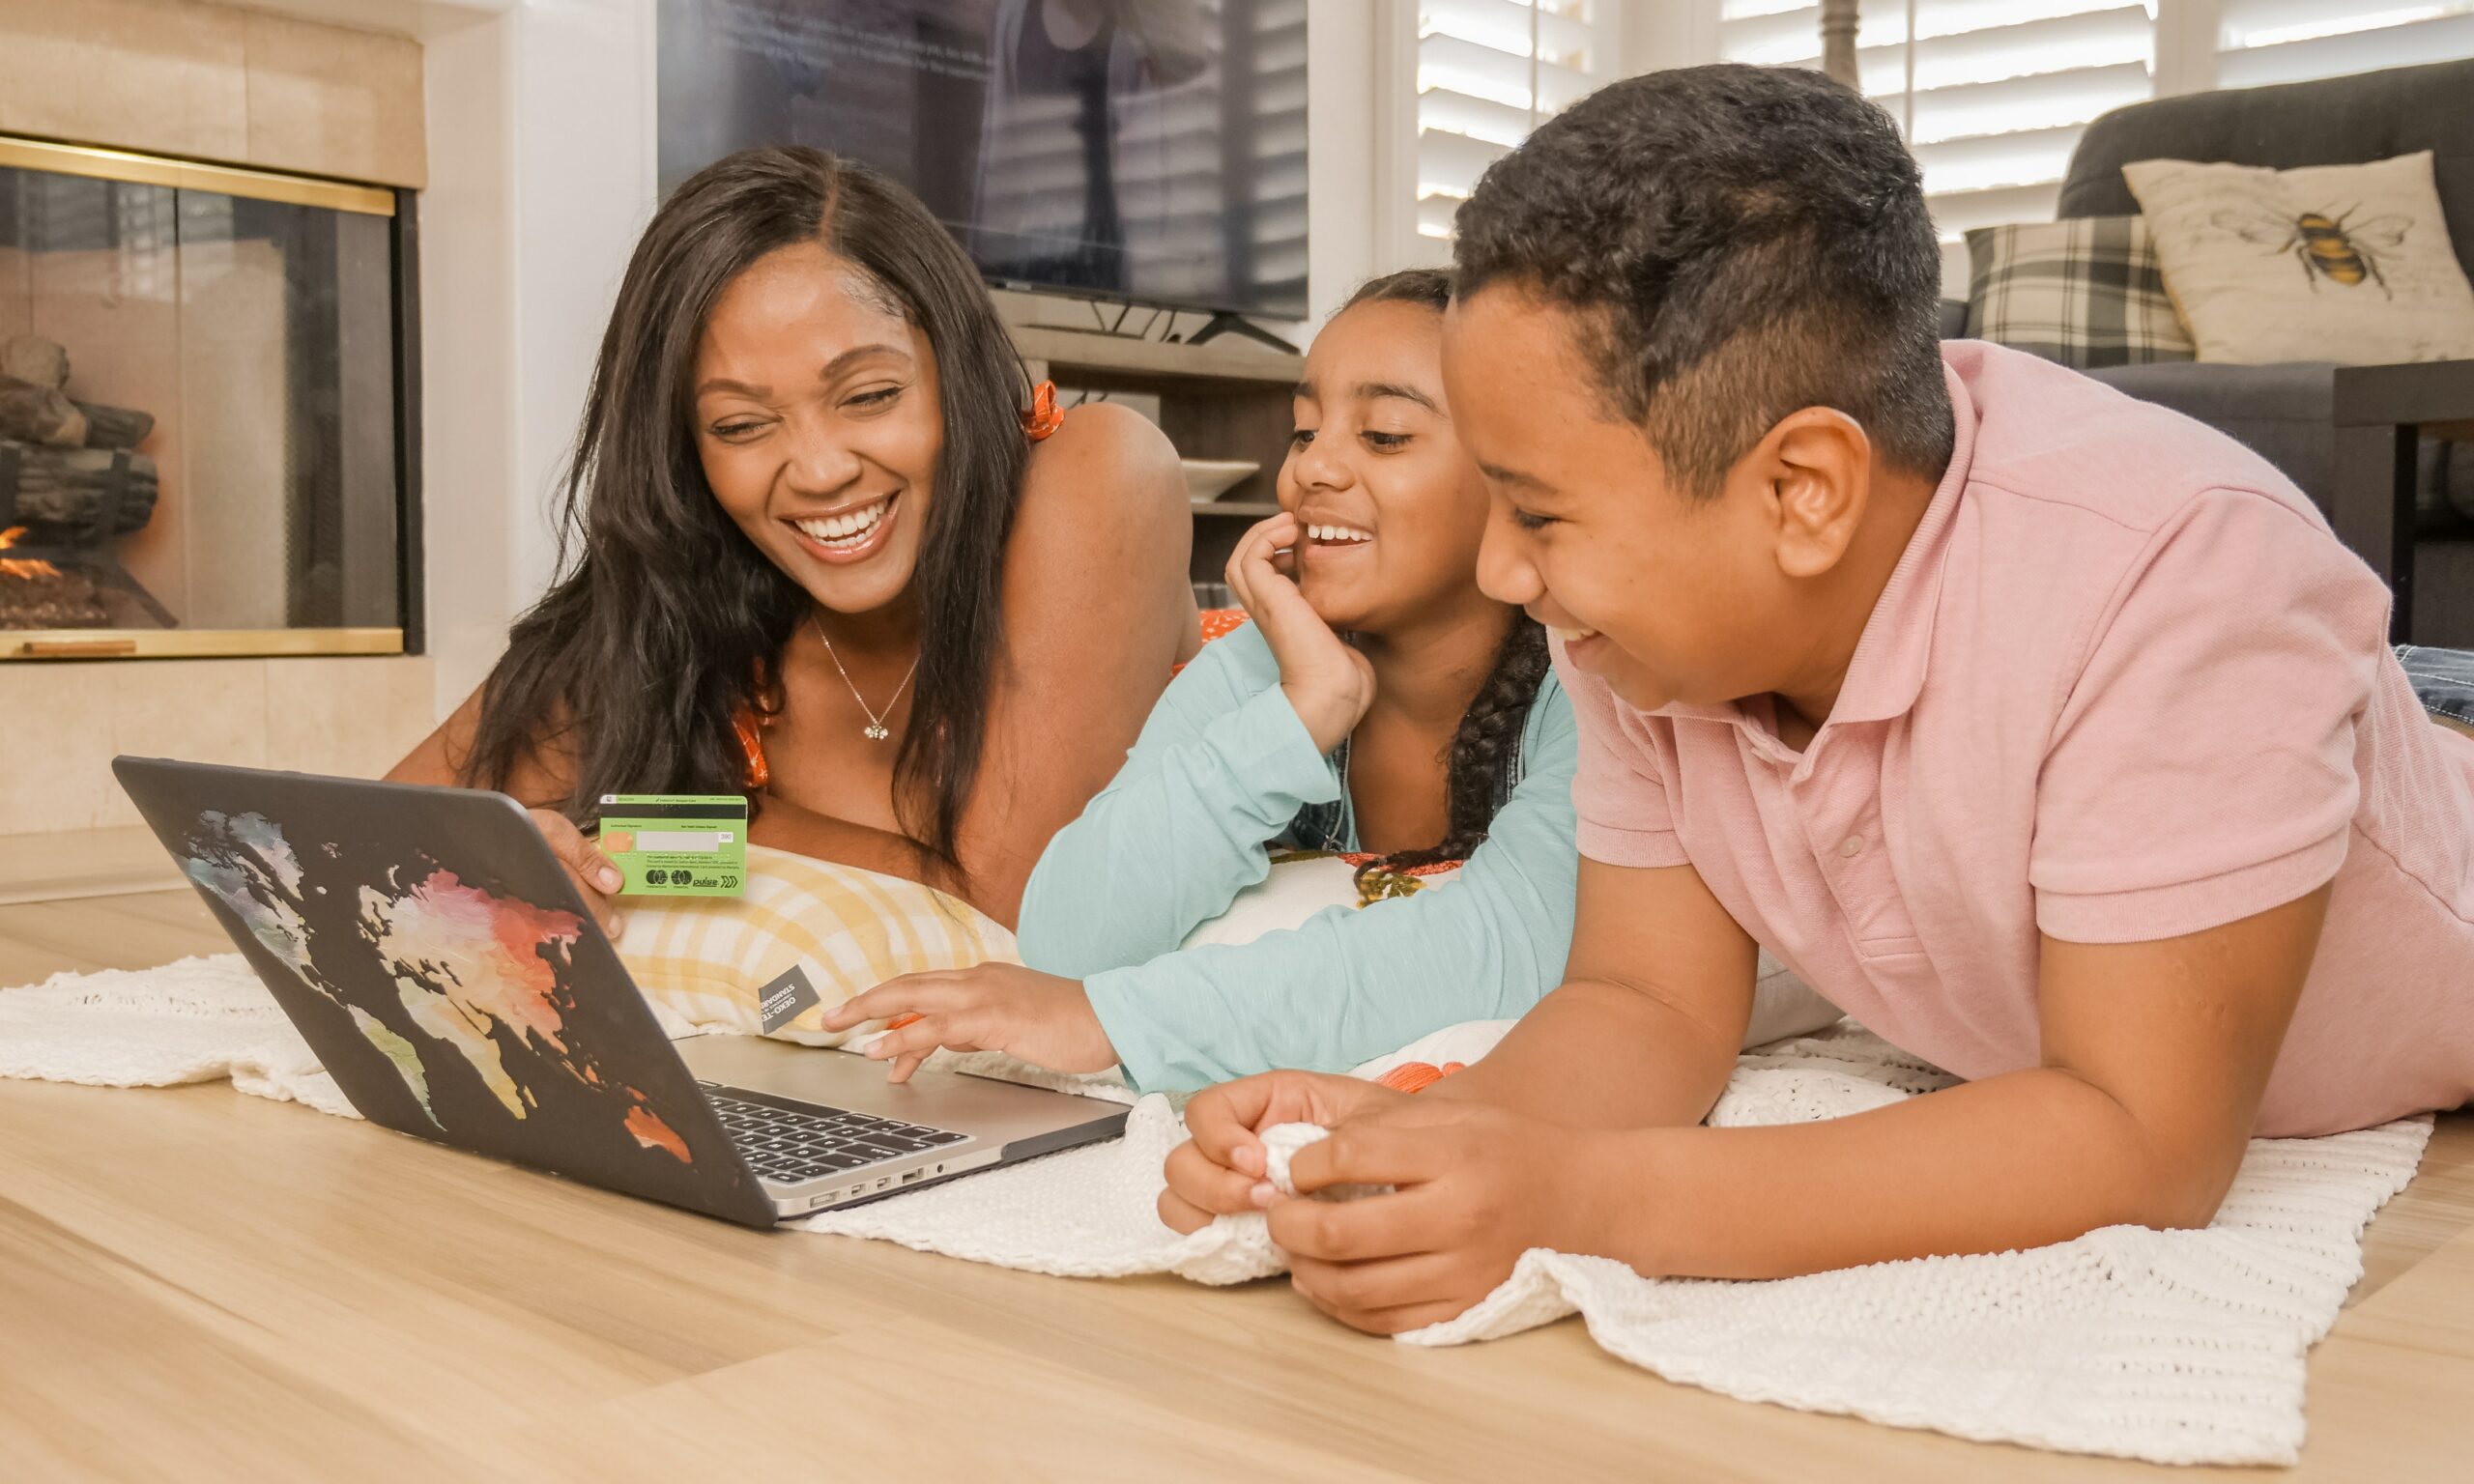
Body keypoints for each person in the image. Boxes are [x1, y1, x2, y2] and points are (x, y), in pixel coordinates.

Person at [1158, 65, 2474, 1335]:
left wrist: (1586, 1198)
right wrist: (1424, 1135)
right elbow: (1645, 1004)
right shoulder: (1634, 625)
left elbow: (2141, 1138)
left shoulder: (2184, 575)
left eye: (1540, 515)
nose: (1504, 570)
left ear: (1802, 493)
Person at [388, 148, 1195, 930]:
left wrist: (645, 837)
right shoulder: (685, 627)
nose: (817, 470)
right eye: (741, 425)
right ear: (685, 452)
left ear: (954, 371)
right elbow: (346, 842)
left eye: (869, 395)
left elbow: (1013, 904)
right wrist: (543, 849)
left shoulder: (1093, 474)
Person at [821, 270, 1583, 1089]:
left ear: (1518, 477)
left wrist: (1116, 1019)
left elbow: (1518, 945)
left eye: (1385, 435)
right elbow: (1068, 939)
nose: (1312, 471)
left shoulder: (1595, 686)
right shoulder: (1268, 662)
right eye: (1303, 432)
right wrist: (1301, 714)